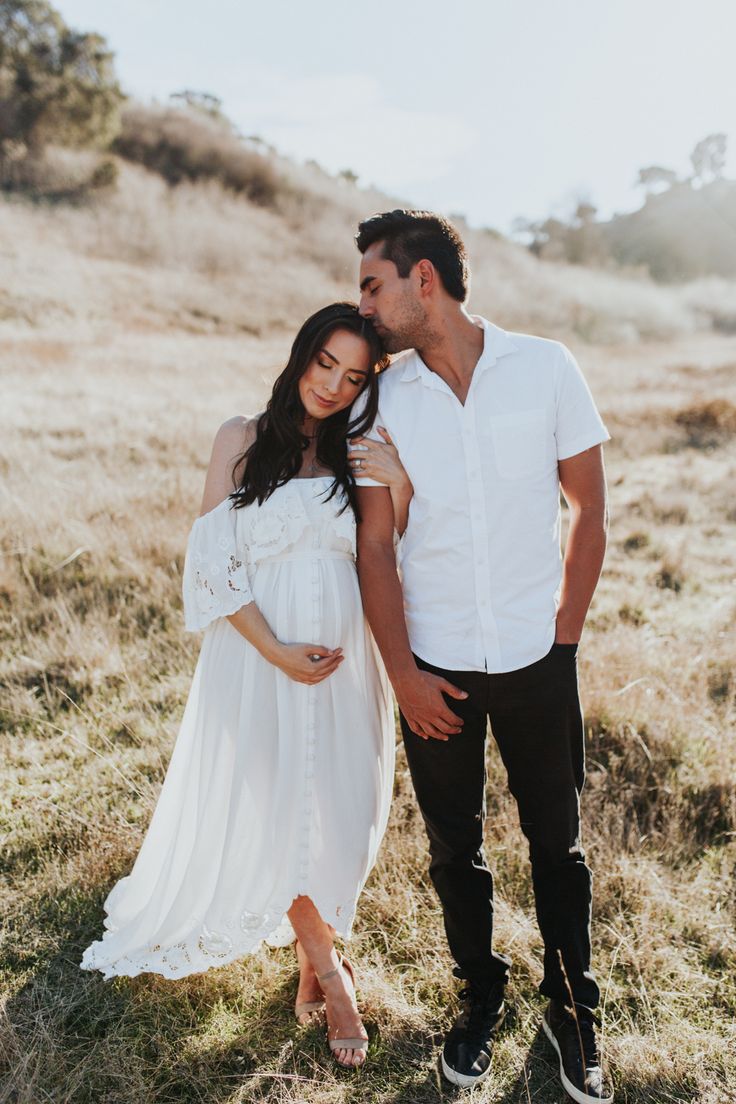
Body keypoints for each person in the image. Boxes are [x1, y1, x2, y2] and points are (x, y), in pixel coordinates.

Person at [81, 302, 413, 1070]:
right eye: (324, 362)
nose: (332, 385)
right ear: (300, 354)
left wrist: (398, 485)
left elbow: (387, 550)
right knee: (277, 808)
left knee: (343, 812)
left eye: (353, 375)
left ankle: (311, 944)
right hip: (258, 658)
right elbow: (213, 566)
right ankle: (331, 974)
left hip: (345, 663)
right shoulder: (240, 438)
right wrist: (275, 652)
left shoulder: (358, 450)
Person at [348, 210, 613, 1102]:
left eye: (372, 284)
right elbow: (375, 550)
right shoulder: (379, 400)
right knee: (454, 848)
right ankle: (480, 995)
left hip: (539, 656)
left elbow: (589, 510)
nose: (364, 305)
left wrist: (565, 640)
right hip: (439, 667)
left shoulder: (545, 367)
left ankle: (575, 1008)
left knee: (558, 843)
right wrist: (404, 675)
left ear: (424, 280)